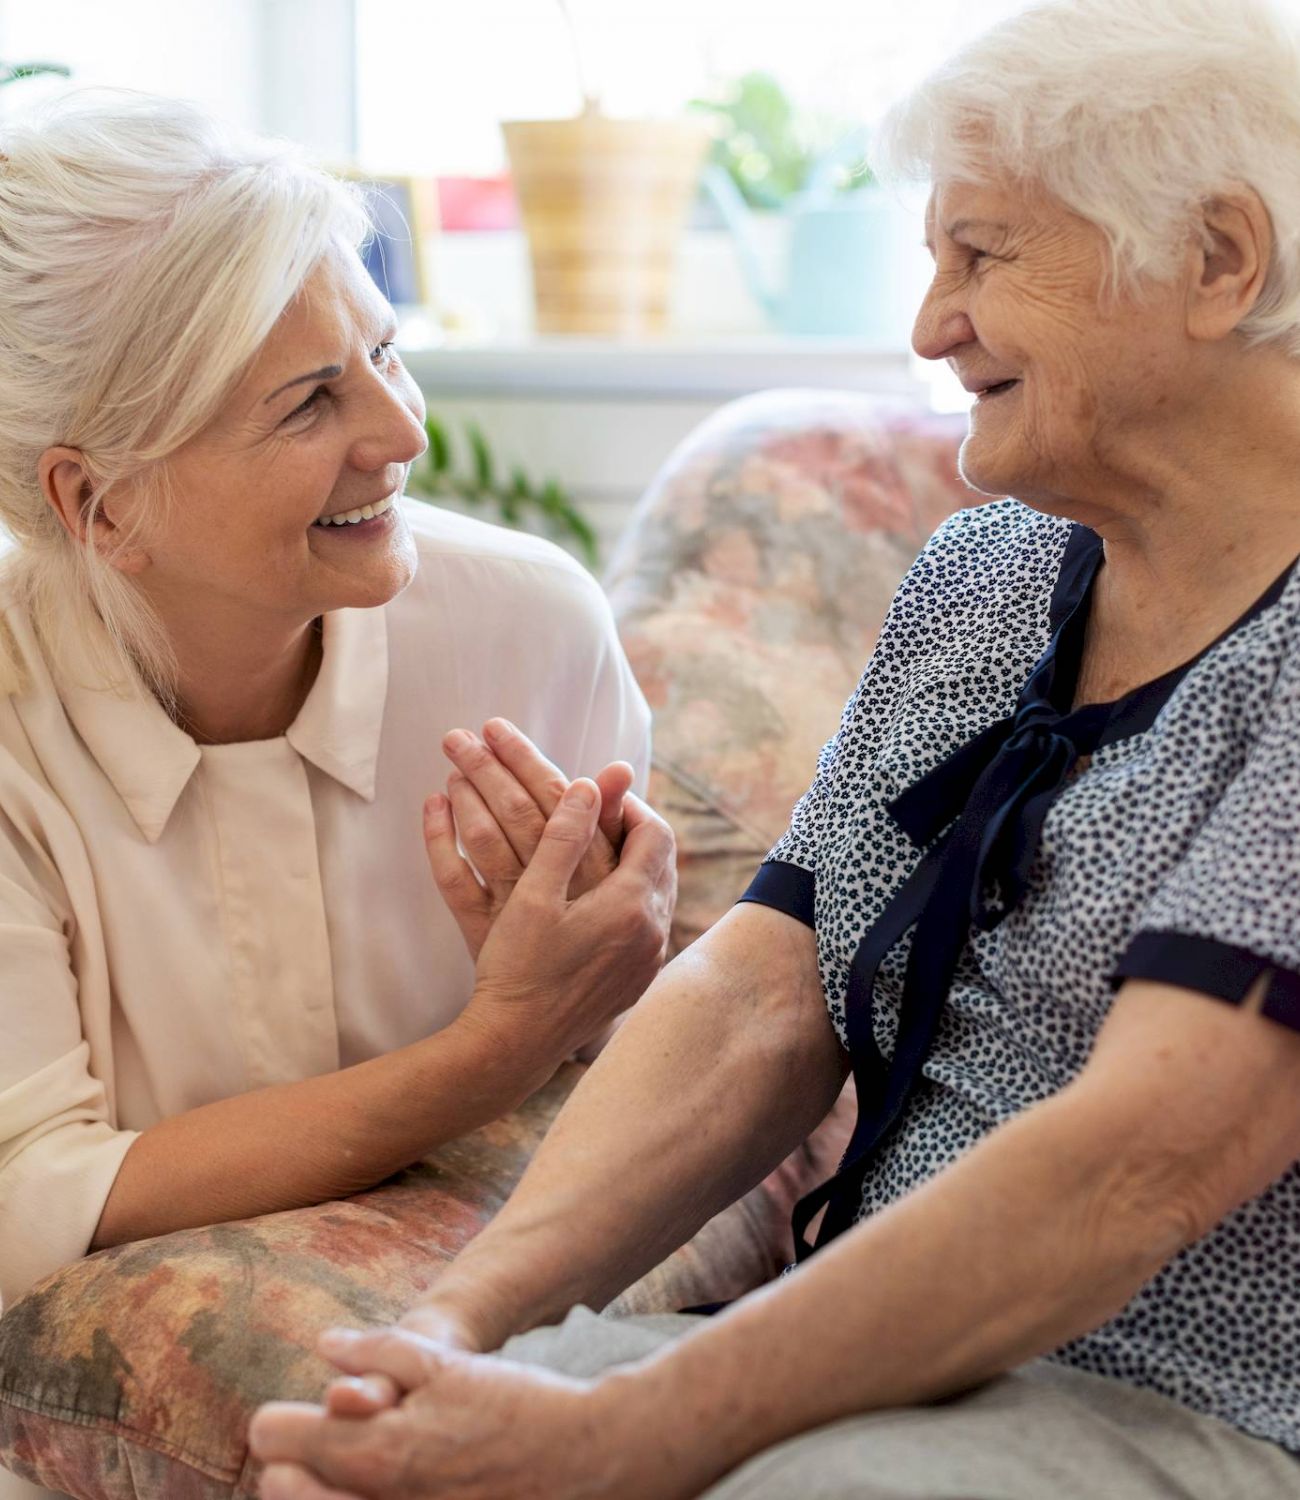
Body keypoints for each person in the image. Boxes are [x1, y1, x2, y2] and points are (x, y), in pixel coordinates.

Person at [249, 1, 1300, 1496]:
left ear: (1219, 263)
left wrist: (635, 1435)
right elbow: (763, 991)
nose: (931, 327)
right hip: (884, 1363)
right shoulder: (990, 573)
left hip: (1206, 1411)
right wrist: (457, 1331)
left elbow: (1144, 1162)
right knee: (352, 1474)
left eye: (983, 257)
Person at [0, 92, 674, 1315]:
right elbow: (27, 1204)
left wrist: (592, 991)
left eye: (385, 350)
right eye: (309, 402)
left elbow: (627, 1060)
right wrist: (496, 1047)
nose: (401, 430)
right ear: (98, 506)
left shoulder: (524, 626)